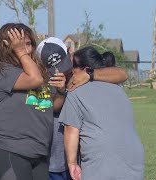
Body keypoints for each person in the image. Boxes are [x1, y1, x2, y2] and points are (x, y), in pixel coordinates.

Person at [36, 38, 129, 180]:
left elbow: (122, 74)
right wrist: (60, 91)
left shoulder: (79, 70)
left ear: (68, 52)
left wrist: (90, 74)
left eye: (63, 64)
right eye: (53, 67)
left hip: (80, 160)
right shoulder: (39, 82)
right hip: (52, 160)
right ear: (42, 65)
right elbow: (50, 109)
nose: (60, 71)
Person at [0, 23, 66, 180]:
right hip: (8, 151)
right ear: (7, 46)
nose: (27, 49)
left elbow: (53, 106)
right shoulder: (2, 72)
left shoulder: (41, 72)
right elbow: (34, 80)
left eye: (28, 44)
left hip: (39, 154)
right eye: (21, 44)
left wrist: (61, 91)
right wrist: (20, 51)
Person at [59, 46, 145, 180]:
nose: (70, 72)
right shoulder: (118, 89)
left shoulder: (75, 92)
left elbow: (71, 129)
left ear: (82, 70)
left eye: (72, 67)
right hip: (134, 156)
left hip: (101, 159)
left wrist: (72, 163)